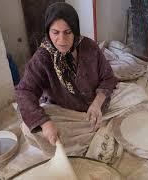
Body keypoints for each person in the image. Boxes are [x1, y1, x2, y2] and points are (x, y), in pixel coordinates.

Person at [16, 2, 117, 156]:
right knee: (28, 128)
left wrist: (97, 103)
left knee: (136, 96)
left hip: (95, 107)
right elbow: (25, 91)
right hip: (66, 113)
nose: (61, 39)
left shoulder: (89, 47)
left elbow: (108, 77)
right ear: (48, 32)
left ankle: (90, 132)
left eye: (68, 32)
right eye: (55, 32)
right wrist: (45, 123)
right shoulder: (42, 58)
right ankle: (92, 133)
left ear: (75, 31)